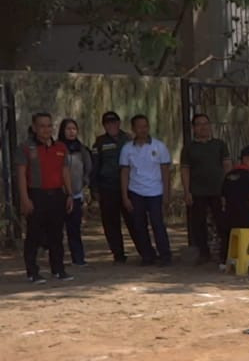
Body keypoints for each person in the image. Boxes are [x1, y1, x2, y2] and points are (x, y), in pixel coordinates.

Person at [16, 112, 74, 283]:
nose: (46, 129)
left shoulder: (60, 148)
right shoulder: (26, 148)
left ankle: (58, 269)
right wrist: (25, 199)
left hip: (57, 194)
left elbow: (65, 172)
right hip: (36, 194)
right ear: (34, 128)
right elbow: (21, 175)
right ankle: (32, 271)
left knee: (57, 234)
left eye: (49, 125)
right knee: (34, 234)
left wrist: (69, 193)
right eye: (42, 126)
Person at [119, 114, 173, 266]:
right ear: (133, 129)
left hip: (155, 191)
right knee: (139, 226)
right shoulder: (127, 149)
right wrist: (125, 196)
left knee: (158, 224)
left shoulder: (159, 146)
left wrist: (167, 194)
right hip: (136, 191)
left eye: (145, 126)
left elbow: (165, 171)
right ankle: (147, 255)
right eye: (139, 126)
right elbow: (125, 172)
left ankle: (165, 255)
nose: (142, 130)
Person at [182, 113, 232, 264]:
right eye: (199, 124)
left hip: (218, 190)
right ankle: (204, 253)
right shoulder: (189, 148)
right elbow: (185, 170)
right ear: (194, 128)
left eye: (206, 123)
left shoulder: (219, 145)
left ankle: (225, 253)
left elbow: (227, 166)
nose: (203, 127)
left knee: (222, 222)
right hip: (197, 191)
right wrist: (186, 191)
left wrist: (229, 188)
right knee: (198, 224)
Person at [91, 111, 140, 264]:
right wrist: (94, 189)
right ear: (104, 126)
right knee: (111, 223)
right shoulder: (99, 143)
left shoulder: (129, 140)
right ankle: (118, 254)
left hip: (129, 187)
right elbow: (94, 167)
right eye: (107, 123)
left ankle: (144, 251)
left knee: (134, 221)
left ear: (119, 123)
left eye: (114, 122)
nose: (111, 126)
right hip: (108, 187)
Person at [58, 118, 93, 267]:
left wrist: (84, 182)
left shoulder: (82, 149)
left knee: (74, 228)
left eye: (74, 129)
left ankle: (78, 258)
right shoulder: (57, 148)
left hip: (77, 193)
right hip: (59, 194)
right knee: (56, 229)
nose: (71, 132)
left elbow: (89, 167)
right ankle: (57, 260)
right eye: (68, 129)